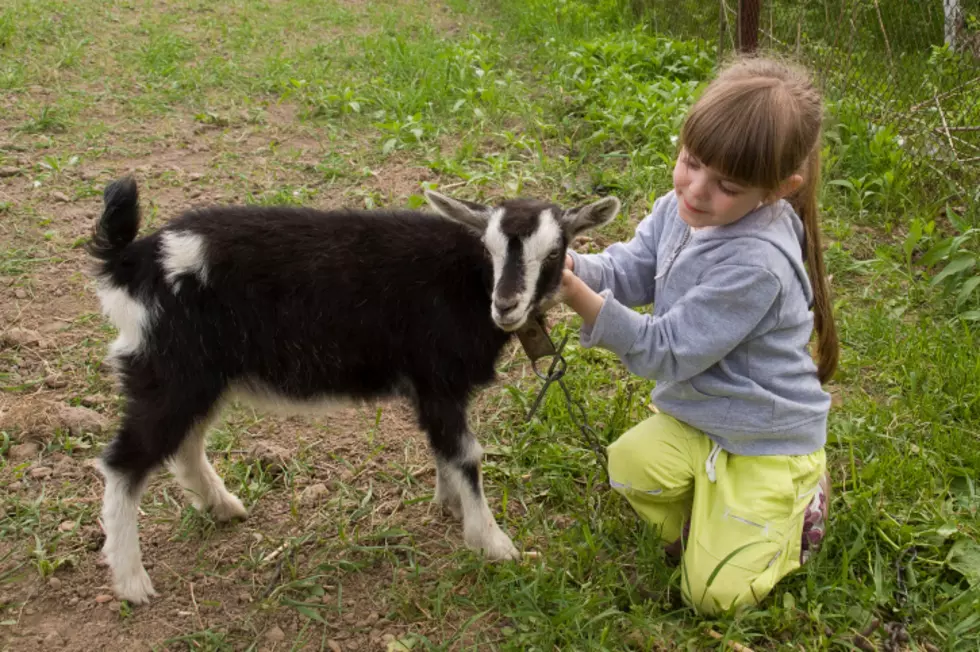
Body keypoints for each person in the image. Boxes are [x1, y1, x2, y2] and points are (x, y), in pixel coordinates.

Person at [560, 55, 837, 616]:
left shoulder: (757, 263)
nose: (696, 190)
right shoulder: (680, 209)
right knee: (628, 464)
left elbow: (666, 351)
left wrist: (572, 295)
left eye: (727, 184)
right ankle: (720, 515)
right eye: (691, 161)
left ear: (779, 189)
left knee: (713, 596)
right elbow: (631, 268)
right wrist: (567, 263)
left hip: (765, 442)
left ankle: (799, 504)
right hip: (703, 421)